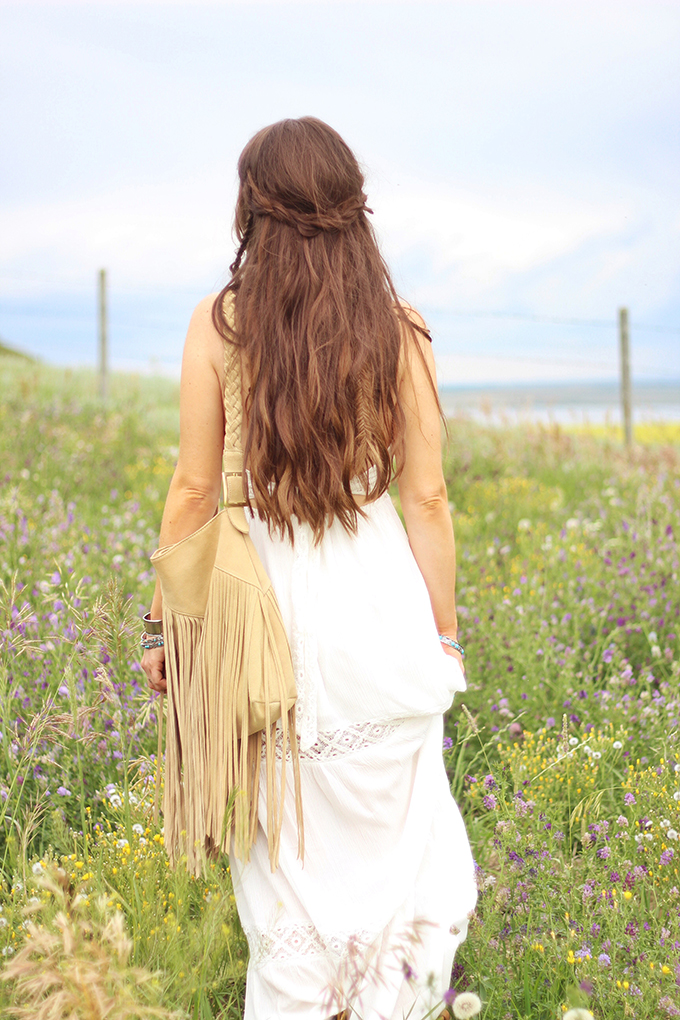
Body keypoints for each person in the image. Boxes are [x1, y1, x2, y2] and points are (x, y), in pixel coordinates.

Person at [141, 117, 477, 1020]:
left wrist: (167, 627)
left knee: (288, 887)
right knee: (402, 877)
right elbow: (429, 500)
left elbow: (192, 491)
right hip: (380, 616)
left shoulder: (221, 326)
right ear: (352, 206)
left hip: (264, 624)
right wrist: (441, 637)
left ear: (253, 209)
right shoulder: (400, 330)